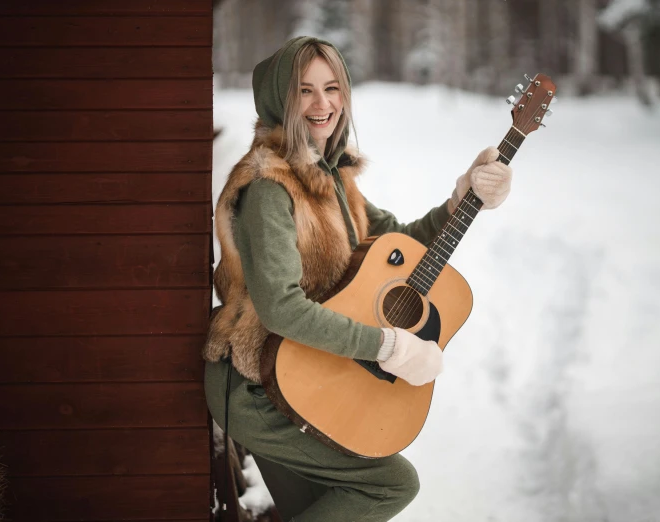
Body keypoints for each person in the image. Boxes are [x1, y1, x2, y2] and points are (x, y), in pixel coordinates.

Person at [203, 36, 512, 522]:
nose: (322, 104)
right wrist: (389, 347)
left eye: (333, 87)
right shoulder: (268, 189)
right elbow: (281, 308)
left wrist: (461, 201)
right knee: (390, 484)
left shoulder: (332, 175)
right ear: (279, 100)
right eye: (304, 91)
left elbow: (397, 244)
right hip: (260, 387)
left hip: (308, 374)